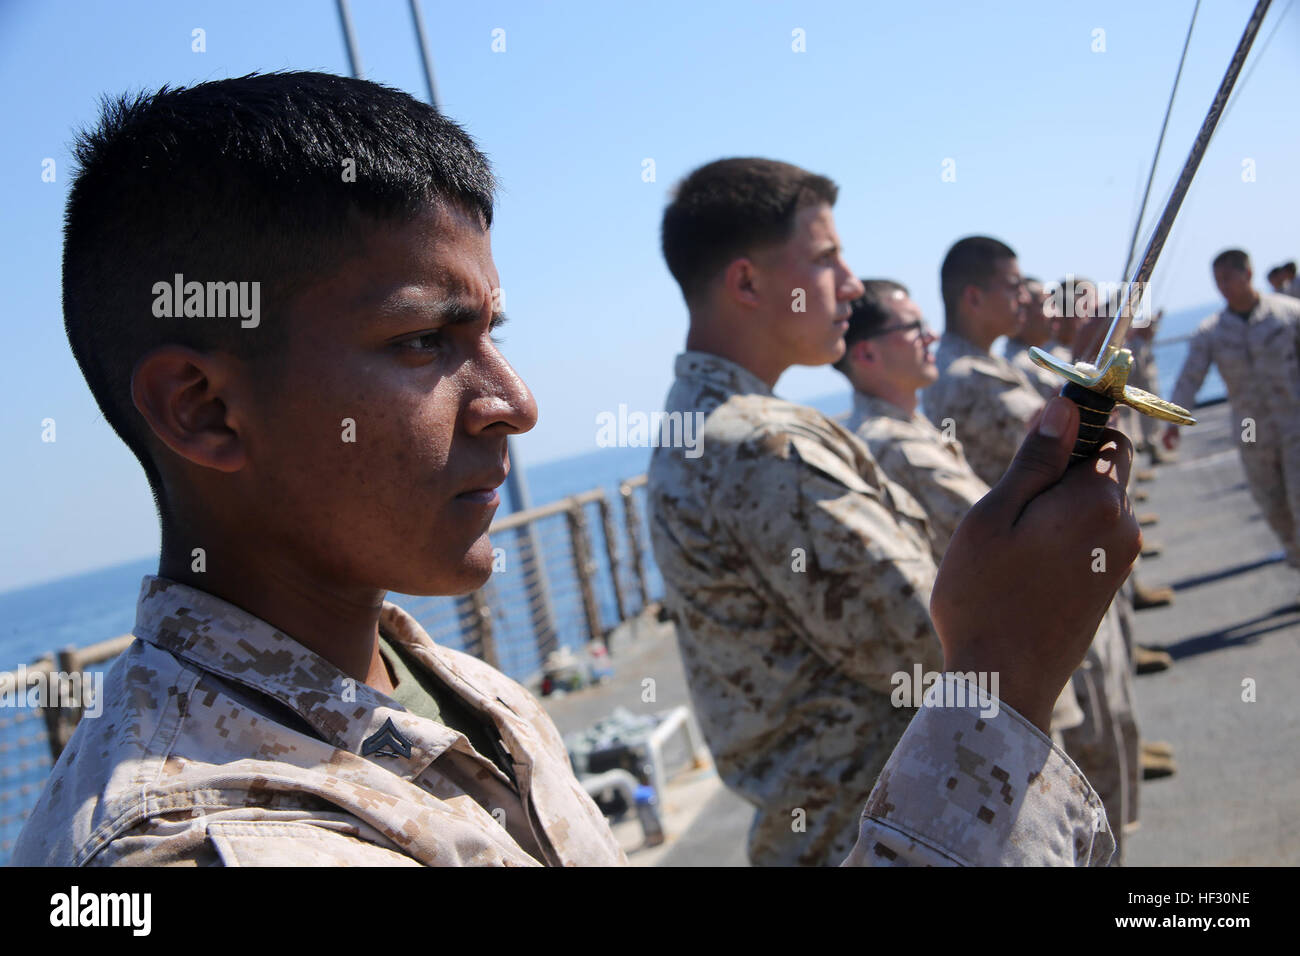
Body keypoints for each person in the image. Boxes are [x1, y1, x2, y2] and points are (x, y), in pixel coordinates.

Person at [15, 79, 1133, 868]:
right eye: (423, 342)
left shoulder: (471, 699)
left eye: (493, 330)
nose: (516, 400)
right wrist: (997, 679)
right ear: (205, 408)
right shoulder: (200, 842)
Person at [648, 160, 1133, 866]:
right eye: (825, 258)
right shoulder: (760, 442)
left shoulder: (709, 424)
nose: (850, 283)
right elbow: (931, 638)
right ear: (748, 283)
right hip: (887, 827)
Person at [837, 279, 1085, 741]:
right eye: (913, 328)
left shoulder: (909, 427)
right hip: (1000, 667)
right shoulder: (892, 444)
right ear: (867, 355)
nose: (930, 336)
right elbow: (1003, 533)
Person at [1165, 249, 1300, 572]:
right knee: (1274, 508)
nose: (1222, 286)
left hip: (1295, 425)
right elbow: (1190, 376)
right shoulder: (1211, 331)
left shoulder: (1289, 315)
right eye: (1217, 281)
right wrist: (1172, 422)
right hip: (1252, 433)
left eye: (1228, 278)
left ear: (1248, 274)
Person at [1004, 277, 1064, 400]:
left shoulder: (1043, 360)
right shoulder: (1020, 368)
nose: (1056, 314)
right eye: (1044, 305)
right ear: (1022, 311)